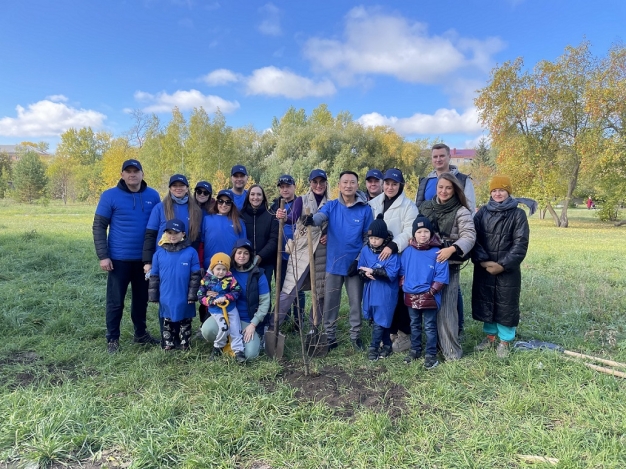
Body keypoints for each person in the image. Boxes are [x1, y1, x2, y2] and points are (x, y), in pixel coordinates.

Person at [93, 159, 161, 353]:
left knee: (141, 300)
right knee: (116, 301)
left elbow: (160, 225)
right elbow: (99, 226)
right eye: (128, 171)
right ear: (122, 174)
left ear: (142, 173)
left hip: (144, 261)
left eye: (136, 171)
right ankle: (112, 338)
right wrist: (103, 255)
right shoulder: (110, 196)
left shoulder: (153, 196)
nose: (132, 174)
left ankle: (141, 334)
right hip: (118, 260)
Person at [303, 171, 373, 350]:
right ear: (339, 186)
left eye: (352, 182)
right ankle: (330, 335)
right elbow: (320, 217)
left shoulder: (365, 209)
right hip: (333, 263)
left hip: (354, 265)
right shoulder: (332, 206)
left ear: (357, 185)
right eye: (345, 182)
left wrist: (358, 260)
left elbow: (367, 238)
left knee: (355, 302)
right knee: (330, 302)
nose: (348, 186)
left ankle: (355, 335)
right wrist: (311, 219)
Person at [415, 143, 476, 337]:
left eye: (442, 156)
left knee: (451, 290)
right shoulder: (425, 181)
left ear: (449, 157)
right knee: (431, 286)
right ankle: (431, 331)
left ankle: (456, 328)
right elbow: (420, 210)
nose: (438, 159)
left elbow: (469, 212)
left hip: (451, 245)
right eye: (435, 157)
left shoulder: (463, 180)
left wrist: (458, 245)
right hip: (428, 245)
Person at [472, 175, 530, 358]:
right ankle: (490, 337)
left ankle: (504, 341)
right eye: (495, 190)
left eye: (502, 190)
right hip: (485, 268)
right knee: (487, 302)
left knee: (506, 305)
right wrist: (483, 261)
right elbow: (474, 238)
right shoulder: (482, 213)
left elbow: (520, 244)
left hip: (507, 271)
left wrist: (503, 265)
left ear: (508, 192)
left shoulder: (518, 214)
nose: (498, 193)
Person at [269, 169, 329, 335]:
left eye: (321, 182)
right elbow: (292, 217)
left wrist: (328, 234)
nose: (318, 185)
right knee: (289, 290)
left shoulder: (331, 202)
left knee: (320, 291)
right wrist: (282, 216)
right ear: (310, 183)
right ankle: (273, 326)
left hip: (322, 252)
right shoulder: (301, 200)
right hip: (302, 248)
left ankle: (313, 328)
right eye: (314, 182)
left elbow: (335, 224)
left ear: (325, 183)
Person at [368, 168, 418, 353]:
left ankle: (404, 335)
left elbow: (409, 231)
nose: (390, 187)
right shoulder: (373, 203)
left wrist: (393, 246)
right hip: (378, 258)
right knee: (383, 295)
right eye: (387, 183)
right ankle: (388, 332)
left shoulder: (408, 206)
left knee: (399, 295)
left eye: (394, 184)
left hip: (398, 256)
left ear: (400, 185)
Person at [400, 216, 449, 369]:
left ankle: (431, 354)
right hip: (410, 295)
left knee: (429, 326)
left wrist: (431, 291)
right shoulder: (407, 252)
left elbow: (441, 276)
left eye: (426, 231)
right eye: (419, 231)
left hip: (429, 296)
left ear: (431, 233)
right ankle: (415, 350)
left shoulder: (438, 252)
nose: (423, 235)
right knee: (414, 324)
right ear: (414, 234)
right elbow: (402, 272)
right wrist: (404, 285)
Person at [147, 219, 201, 351]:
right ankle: (168, 343)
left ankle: (184, 343)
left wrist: (192, 295)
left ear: (183, 234)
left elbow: (195, 276)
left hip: (184, 294)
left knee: (185, 320)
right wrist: (154, 295)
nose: (173, 235)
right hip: (166, 294)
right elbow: (154, 276)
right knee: (167, 320)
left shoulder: (191, 252)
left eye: (176, 233)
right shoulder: (159, 253)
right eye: (169, 232)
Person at [358, 217, 400, 361]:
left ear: (384, 238)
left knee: (381, 319)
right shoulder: (365, 250)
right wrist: (363, 273)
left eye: (377, 238)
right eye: (371, 238)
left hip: (386, 291)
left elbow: (392, 273)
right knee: (377, 318)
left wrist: (374, 271)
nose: (374, 241)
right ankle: (387, 345)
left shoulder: (391, 253)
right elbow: (361, 268)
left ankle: (373, 348)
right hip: (371, 290)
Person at [143, 174, 203, 270]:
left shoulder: (195, 210)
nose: (178, 188)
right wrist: (148, 261)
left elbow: (196, 239)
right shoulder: (159, 208)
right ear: (170, 189)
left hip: (184, 261)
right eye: (175, 185)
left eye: (181, 185)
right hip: (163, 259)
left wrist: (194, 262)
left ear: (187, 188)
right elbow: (150, 235)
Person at [197, 252, 246, 364]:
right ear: (213, 268)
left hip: (231, 308)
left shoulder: (230, 279)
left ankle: (238, 351)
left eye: (224, 269)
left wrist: (226, 297)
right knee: (224, 327)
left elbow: (237, 291)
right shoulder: (206, 280)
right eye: (218, 269)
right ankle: (218, 347)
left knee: (235, 327)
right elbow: (200, 295)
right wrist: (211, 301)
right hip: (216, 310)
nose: (221, 272)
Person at [272, 174, 305, 329]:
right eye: (282, 187)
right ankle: (282, 317)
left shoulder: (301, 203)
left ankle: (298, 320)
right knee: (281, 286)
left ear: (294, 187)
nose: (285, 189)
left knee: (297, 289)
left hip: (297, 253)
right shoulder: (275, 205)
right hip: (280, 253)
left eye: (288, 186)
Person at [241, 184, 279, 291]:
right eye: (252, 194)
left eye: (259, 194)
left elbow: (274, 239)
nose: (255, 197)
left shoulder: (271, 215)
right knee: (246, 293)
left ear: (263, 197)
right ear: (248, 196)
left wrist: (260, 256)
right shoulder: (241, 216)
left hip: (265, 263)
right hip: (244, 263)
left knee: (264, 294)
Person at [201, 189, 247, 270]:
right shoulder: (207, 219)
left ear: (232, 204)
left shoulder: (238, 222)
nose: (224, 204)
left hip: (231, 266)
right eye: (221, 201)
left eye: (228, 202)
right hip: (210, 265)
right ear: (217, 202)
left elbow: (243, 246)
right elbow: (201, 243)